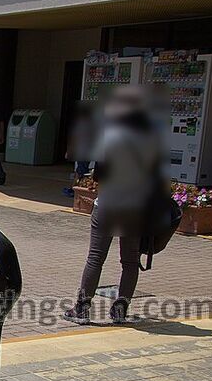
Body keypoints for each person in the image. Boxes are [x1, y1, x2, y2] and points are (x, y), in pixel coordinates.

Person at [64, 86, 164, 325]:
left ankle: (82, 309)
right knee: (130, 261)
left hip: (108, 206)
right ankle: (120, 309)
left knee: (96, 258)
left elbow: (99, 176)